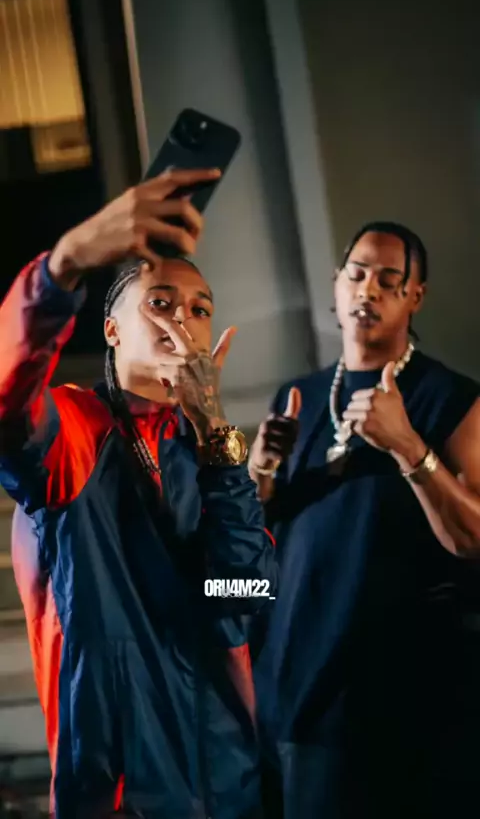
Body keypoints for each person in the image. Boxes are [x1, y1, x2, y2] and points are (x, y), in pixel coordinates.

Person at [0, 168, 276, 819]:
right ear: (112, 330)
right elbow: (8, 399)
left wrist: (217, 439)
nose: (183, 319)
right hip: (123, 794)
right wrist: (62, 267)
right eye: (160, 302)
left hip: (228, 785)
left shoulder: (209, 451)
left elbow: (246, 593)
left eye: (200, 309)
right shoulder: (75, 430)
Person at [248, 222, 480, 819]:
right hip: (292, 695)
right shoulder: (296, 398)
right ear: (336, 283)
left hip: (398, 705)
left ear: (414, 297)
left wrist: (409, 447)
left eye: (388, 279)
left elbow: (475, 539)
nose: (367, 289)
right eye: (356, 274)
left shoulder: (451, 399)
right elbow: (258, 560)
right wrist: (261, 477)